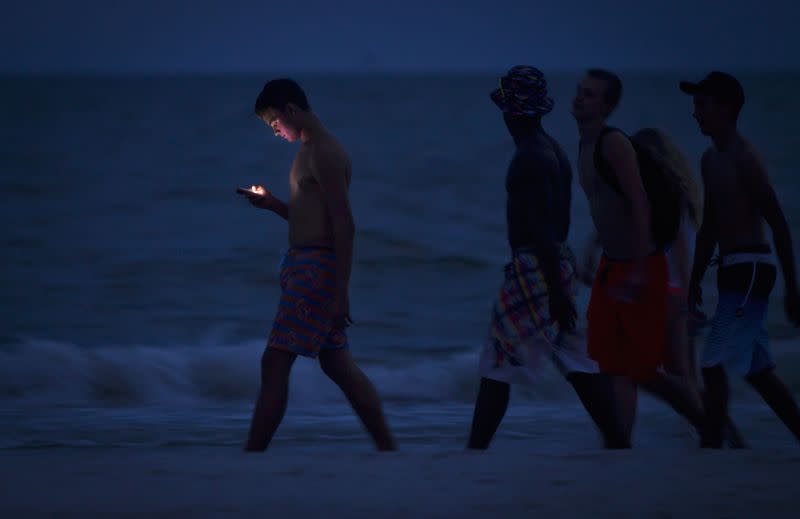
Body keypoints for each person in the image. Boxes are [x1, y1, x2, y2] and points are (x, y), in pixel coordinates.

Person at [468, 66, 623, 450]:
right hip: (557, 265)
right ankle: (620, 442)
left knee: (499, 361)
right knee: (576, 360)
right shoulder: (552, 149)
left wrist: (553, 289)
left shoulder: (529, 158)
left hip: (535, 269)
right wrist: (560, 285)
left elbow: (539, 230)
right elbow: (559, 226)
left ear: (514, 111)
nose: (503, 115)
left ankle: (475, 450)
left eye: (506, 107)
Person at [239, 78, 396, 452]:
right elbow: (312, 220)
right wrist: (274, 205)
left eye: (275, 123)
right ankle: (388, 448)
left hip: (315, 273)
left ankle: (252, 453)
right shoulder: (307, 151)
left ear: (291, 110)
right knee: (337, 365)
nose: (276, 132)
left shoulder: (325, 152)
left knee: (274, 362)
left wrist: (341, 291)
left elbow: (344, 224)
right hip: (306, 268)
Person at [572, 69, 704, 447]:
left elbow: (645, 211)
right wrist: (591, 255)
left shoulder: (617, 149)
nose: (581, 99)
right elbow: (611, 217)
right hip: (628, 274)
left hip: (650, 278)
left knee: (646, 370)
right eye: (580, 92)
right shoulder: (589, 148)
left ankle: (710, 428)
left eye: (591, 95)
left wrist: (646, 271)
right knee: (621, 366)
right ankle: (621, 442)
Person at [681, 71, 800, 447]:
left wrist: (792, 290)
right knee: (755, 368)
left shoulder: (745, 158)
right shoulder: (710, 159)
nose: (695, 113)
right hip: (732, 270)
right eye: (694, 104)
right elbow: (710, 228)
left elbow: (779, 225)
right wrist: (694, 280)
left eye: (702, 104)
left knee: (715, 362)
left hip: (751, 268)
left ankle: (711, 446)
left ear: (727, 108)